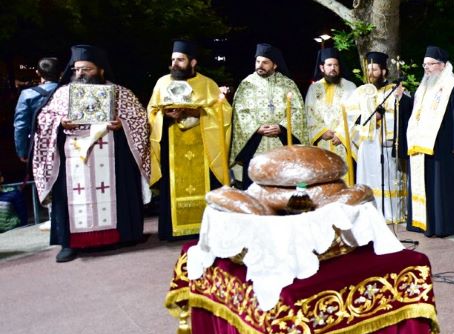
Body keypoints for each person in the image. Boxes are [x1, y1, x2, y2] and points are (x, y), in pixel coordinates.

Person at [31, 45, 151, 263]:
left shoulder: (120, 93)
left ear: (101, 70)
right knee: (73, 198)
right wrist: (60, 122)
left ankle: (122, 235)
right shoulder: (63, 93)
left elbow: (140, 120)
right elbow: (44, 119)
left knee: (114, 191)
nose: (80, 74)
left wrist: (122, 123)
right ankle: (70, 243)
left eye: (86, 69)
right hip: (73, 158)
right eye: (77, 69)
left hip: (111, 154)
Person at [147, 40, 231, 239]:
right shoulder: (162, 83)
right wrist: (165, 115)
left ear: (193, 62)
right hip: (171, 145)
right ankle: (173, 231)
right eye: (173, 60)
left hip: (203, 146)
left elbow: (224, 113)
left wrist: (196, 111)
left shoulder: (207, 84)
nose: (175, 64)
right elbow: (151, 111)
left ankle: (206, 228)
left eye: (180, 60)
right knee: (172, 185)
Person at [405, 45, 454, 236]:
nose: (426, 68)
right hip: (423, 149)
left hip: (445, 150)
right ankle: (423, 223)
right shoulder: (423, 88)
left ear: (443, 65)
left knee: (441, 190)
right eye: (424, 65)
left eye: (430, 64)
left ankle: (442, 225)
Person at [347, 51, 410, 224]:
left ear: (383, 71)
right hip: (368, 144)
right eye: (368, 69)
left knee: (389, 178)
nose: (371, 73)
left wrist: (384, 117)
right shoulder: (361, 92)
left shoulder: (394, 90)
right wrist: (369, 118)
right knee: (370, 178)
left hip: (387, 144)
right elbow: (350, 116)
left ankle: (392, 213)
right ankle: (370, 213)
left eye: (374, 69)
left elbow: (403, 115)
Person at [230, 43, 306, 187]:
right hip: (255, 142)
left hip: (281, 142)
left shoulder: (288, 84)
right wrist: (256, 128)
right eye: (258, 61)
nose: (260, 65)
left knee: (282, 184)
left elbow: (297, 111)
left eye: (265, 62)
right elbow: (240, 111)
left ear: (275, 65)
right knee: (254, 187)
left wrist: (281, 127)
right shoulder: (247, 84)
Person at [304, 46, 357, 164]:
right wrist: (321, 132)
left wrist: (341, 134)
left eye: (336, 65)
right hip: (322, 141)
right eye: (329, 65)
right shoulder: (313, 88)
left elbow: (354, 114)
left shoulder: (350, 87)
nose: (333, 68)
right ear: (322, 67)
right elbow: (309, 114)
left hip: (343, 142)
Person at [13, 56, 60, 166]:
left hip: (39, 145)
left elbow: (21, 126)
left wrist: (22, 151)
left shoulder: (27, 94)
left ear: (38, 72)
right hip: (66, 144)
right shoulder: (68, 91)